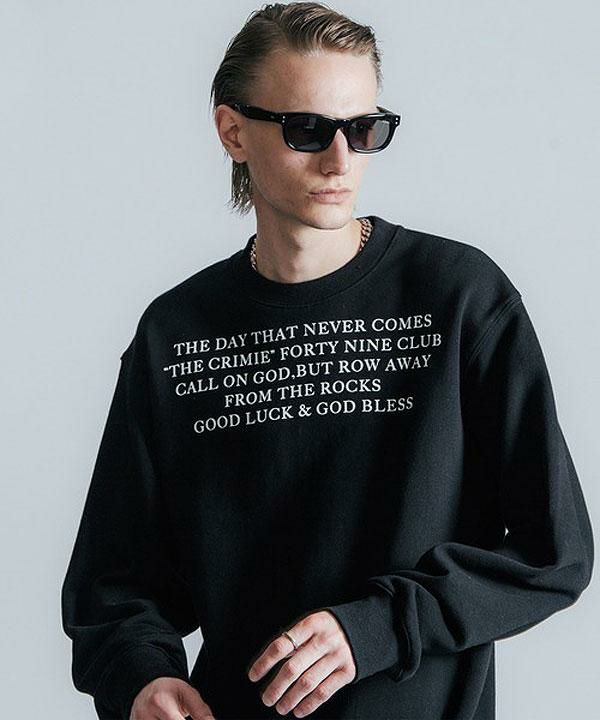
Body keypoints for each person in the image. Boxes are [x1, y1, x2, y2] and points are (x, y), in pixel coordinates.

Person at [61, 3, 594, 719]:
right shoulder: (175, 335)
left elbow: (555, 553)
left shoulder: (459, 299)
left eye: (364, 130)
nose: (341, 161)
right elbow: (113, 587)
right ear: (233, 132)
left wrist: (379, 627)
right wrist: (142, 681)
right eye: (308, 130)